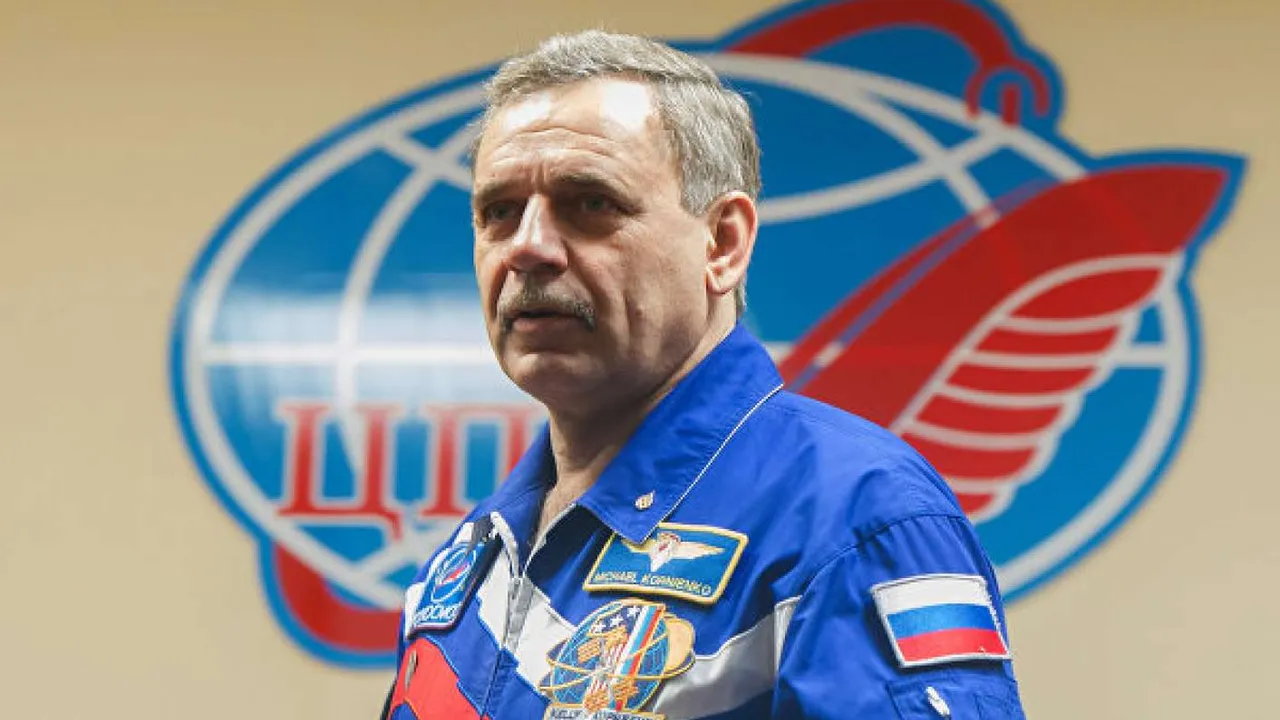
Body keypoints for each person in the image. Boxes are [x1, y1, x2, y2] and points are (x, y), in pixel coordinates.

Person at [382, 30, 1027, 720]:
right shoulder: (469, 563)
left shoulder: (854, 517)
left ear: (723, 243)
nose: (528, 248)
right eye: (499, 213)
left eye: (590, 203)